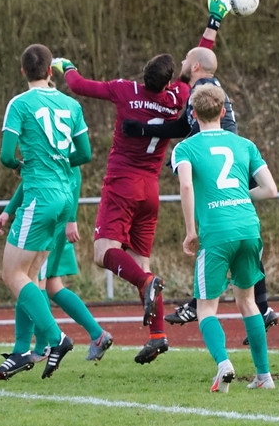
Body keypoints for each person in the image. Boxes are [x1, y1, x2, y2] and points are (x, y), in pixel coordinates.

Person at [122, 0, 278, 342]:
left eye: (184, 60)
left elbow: (181, 129)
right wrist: (214, 22)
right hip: (231, 160)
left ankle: (201, 303)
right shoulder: (211, 85)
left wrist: (142, 128)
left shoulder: (203, 89)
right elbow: (184, 123)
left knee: (215, 234)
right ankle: (261, 306)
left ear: (193, 69)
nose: (181, 62)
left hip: (215, 157)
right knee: (242, 236)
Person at [51, 48, 190, 365]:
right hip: (150, 189)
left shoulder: (126, 90)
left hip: (122, 184)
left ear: (144, 73)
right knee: (140, 261)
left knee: (103, 254)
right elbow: (193, 68)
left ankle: (145, 283)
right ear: (168, 82)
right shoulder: (176, 98)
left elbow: (79, 85)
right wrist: (213, 25)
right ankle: (157, 335)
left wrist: (65, 65)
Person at [0, 44, 92, 381]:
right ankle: (27, 350)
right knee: (32, 277)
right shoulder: (71, 104)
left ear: (23, 72)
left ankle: (55, 339)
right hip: (63, 197)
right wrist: (59, 161)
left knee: (12, 275)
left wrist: (22, 165)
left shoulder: (19, 104)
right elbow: (85, 153)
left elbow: (5, 156)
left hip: (39, 196)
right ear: (51, 71)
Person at [171, 84, 278, 391]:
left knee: (206, 308)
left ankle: (223, 364)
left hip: (217, 232)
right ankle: (264, 376)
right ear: (222, 111)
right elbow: (270, 190)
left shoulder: (185, 148)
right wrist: (240, 197)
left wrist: (191, 230)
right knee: (248, 302)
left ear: (192, 114)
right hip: (248, 227)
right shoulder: (245, 144)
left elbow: (187, 187)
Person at [0, 166, 113, 363]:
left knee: (32, 282)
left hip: (50, 221)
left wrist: (71, 219)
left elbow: (74, 171)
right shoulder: (46, 147)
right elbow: (30, 181)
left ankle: (41, 349)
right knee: (50, 285)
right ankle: (96, 334)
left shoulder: (57, 140)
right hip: (51, 215)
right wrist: (9, 210)